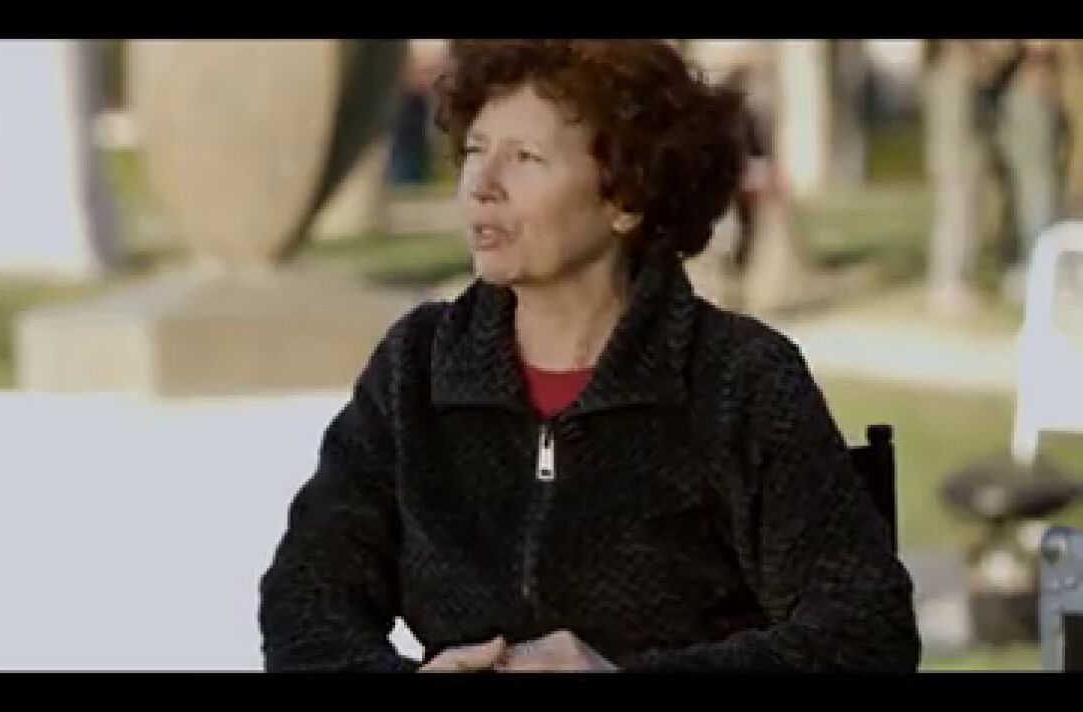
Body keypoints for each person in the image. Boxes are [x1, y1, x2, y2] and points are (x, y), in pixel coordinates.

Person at [258, 40, 921, 673]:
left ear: (625, 198)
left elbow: (864, 630)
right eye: (476, 150)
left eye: (525, 158)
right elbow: (306, 597)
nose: (482, 184)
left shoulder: (740, 378)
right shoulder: (417, 366)